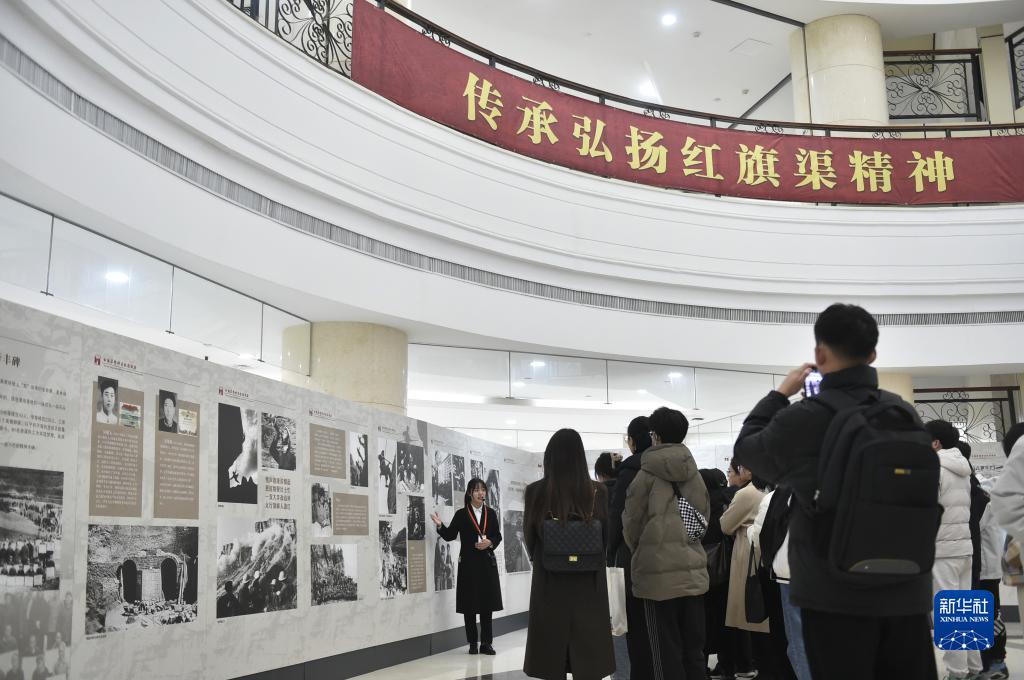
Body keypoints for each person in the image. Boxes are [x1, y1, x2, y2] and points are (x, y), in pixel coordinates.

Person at [733, 303, 937, 679]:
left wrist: (780, 394)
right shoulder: (902, 412)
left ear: (820, 354)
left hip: (834, 592)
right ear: (872, 355)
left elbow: (747, 451)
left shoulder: (807, 416)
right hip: (907, 586)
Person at [623, 407, 709, 680]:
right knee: (694, 651)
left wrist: (644, 550)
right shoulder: (694, 474)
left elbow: (631, 525)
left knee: (664, 654)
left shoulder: (645, 476)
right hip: (693, 575)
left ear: (655, 436)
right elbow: (703, 519)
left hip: (656, 578)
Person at [523, 429, 613, 680]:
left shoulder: (535, 491)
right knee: (590, 660)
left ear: (550, 457)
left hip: (549, 582)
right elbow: (605, 538)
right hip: (589, 583)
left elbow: (530, 539)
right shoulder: (598, 491)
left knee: (551, 658)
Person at [925, 420, 981, 680]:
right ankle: (973, 667)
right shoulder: (963, 468)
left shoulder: (935, 467)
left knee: (946, 612)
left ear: (935, 443)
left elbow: (929, 508)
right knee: (964, 610)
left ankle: (957, 673)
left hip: (943, 549)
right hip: (963, 547)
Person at [431, 478, 503, 655]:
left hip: (486, 564)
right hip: (468, 565)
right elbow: (450, 535)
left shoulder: (491, 513)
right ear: (470, 493)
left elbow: (497, 536)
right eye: (477, 490)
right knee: (469, 605)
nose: (481, 493)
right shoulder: (462, 514)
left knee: (486, 605)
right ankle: (472, 643)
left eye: (483, 490)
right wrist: (440, 525)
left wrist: (489, 542)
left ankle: (486, 643)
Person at [607, 417, 655, 680]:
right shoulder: (676, 470)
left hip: (632, 554)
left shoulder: (629, 471)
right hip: (668, 556)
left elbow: (618, 516)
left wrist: (610, 551)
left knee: (632, 623)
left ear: (633, 441)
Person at [719, 462, 765, 680]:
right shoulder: (766, 490)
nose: (729, 475)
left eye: (731, 471)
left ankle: (750, 664)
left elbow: (725, 525)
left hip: (746, 552)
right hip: (761, 552)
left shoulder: (746, 494)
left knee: (747, 610)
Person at [595, 451, 629, 680]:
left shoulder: (598, 494)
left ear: (600, 474)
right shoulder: (631, 488)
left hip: (607, 566)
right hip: (634, 564)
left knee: (616, 624)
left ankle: (621, 675)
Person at [698, 468, 735, 679]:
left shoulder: (698, 504)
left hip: (702, 570)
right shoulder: (729, 500)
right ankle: (727, 665)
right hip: (726, 568)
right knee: (725, 620)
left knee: (701, 622)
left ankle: (701, 668)